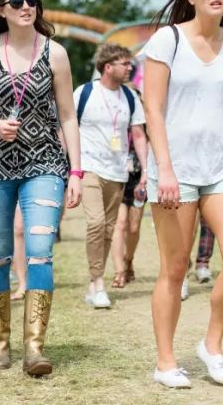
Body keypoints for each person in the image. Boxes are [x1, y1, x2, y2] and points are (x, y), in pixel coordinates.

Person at [141, 0, 223, 388]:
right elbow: (152, 108)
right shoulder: (166, 41)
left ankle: (212, 345)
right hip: (175, 171)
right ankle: (166, 361)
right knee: (175, 268)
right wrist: (165, 169)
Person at [0, 0, 82, 377]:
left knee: (40, 250)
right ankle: (0, 342)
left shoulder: (56, 53)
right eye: (17, 1)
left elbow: (67, 115)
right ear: (2, 9)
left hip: (44, 162)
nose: (26, 6)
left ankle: (34, 347)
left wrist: (76, 170)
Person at [74, 44, 148, 307]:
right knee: (95, 223)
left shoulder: (130, 98)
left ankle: (94, 283)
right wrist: (70, 165)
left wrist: (146, 171)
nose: (130, 68)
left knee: (107, 230)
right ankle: (99, 283)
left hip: (118, 171)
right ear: (108, 67)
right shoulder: (84, 93)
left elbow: (138, 134)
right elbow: (67, 126)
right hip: (88, 167)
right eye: (125, 64)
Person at [110, 137, 147, 288]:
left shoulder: (142, 117)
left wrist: (146, 173)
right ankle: (119, 271)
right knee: (119, 223)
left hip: (138, 177)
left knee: (134, 227)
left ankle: (128, 260)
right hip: (116, 174)